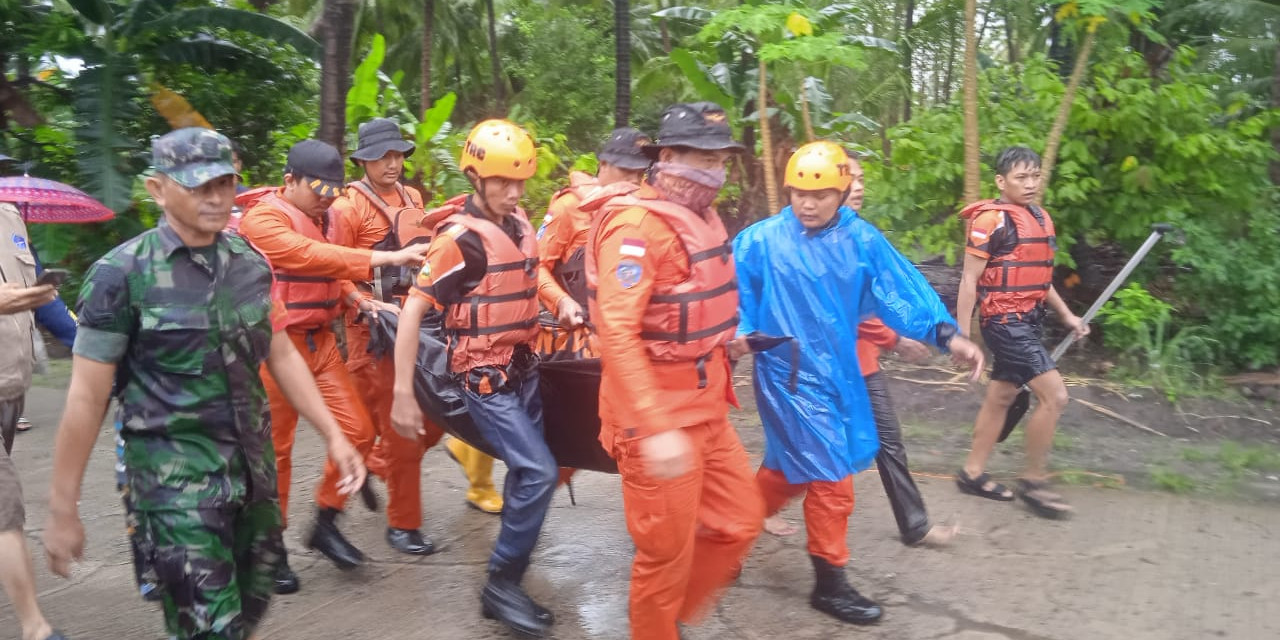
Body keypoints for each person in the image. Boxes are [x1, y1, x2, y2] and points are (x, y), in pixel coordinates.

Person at [41, 128, 366, 640]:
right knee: (212, 627)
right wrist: (64, 510)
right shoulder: (120, 276)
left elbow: (280, 352)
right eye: (198, 186)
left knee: (252, 603)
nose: (216, 198)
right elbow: (86, 397)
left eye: (224, 183)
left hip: (252, 480)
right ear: (157, 189)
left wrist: (334, 434)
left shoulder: (250, 265)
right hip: (175, 487)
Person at [733, 141, 984, 625]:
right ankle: (830, 584)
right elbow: (737, 294)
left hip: (838, 373)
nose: (808, 204)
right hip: (785, 378)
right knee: (831, 477)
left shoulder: (861, 240)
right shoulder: (759, 241)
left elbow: (899, 288)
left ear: (841, 190)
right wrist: (739, 332)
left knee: (787, 472)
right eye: (799, 194)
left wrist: (947, 334)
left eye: (821, 194)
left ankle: (722, 535)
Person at [583, 102, 764, 640]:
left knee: (740, 522)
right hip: (656, 416)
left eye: (722, 159)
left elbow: (685, 307)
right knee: (665, 554)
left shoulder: (702, 218)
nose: (715, 171)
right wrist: (656, 427)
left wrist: (726, 338)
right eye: (702, 158)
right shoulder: (635, 229)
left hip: (707, 406)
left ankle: (669, 619)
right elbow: (616, 331)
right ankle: (656, 627)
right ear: (666, 157)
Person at [390, 120, 557, 638]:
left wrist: (564, 303)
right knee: (539, 471)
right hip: (482, 375)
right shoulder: (458, 242)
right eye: (503, 182)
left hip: (524, 366)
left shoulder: (521, 224)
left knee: (529, 473)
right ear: (475, 178)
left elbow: (533, 280)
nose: (514, 192)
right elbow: (413, 312)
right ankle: (500, 584)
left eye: (520, 182)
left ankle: (504, 582)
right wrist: (402, 392)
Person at [238, 139, 430, 588]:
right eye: (317, 190)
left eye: (332, 191)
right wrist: (384, 257)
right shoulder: (262, 218)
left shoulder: (327, 214)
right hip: (273, 346)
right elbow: (308, 257)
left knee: (359, 431)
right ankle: (271, 548)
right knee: (276, 452)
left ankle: (325, 520)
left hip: (320, 343)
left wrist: (359, 301)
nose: (326, 198)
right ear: (290, 181)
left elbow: (333, 273)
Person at [329, 117, 499, 554]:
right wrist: (363, 303)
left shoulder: (414, 197)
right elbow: (335, 270)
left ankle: (373, 465)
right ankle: (402, 523)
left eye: (397, 155)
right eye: (381, 156)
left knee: (430, 422)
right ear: (363, 160)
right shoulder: (346, 209)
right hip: (371, 335)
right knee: (396, 429)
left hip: (415, 325)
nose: (391, 163)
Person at [954, 146, 1086, 518]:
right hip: (1004, 324)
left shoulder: (1040, 218)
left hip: (1028, 321)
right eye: (1020, 177)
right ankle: (1033, 480)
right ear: (1001, 181)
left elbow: (1038, 277)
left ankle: (971, 472)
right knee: (1055, 397)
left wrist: (1068, 316)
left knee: (1001, 397)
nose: (1030, 184)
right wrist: (962, 335)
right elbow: (968, 280)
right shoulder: (990, 221)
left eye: (1035, 176)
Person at [0, 200, 65, 640]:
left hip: (9, 386)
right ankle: (35, 628)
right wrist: (22, 297)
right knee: (6, 507)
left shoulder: (10, 216)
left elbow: (44, 301)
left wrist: (90, 343)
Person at [535, 127, 651, 350]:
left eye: (639, 173)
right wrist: (561, 301)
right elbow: (536, 267)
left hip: (626, 338)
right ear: (604, 165)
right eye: (626, 170)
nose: (634, 180)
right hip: (578, 340)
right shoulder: (568, 207)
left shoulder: (642, 211)